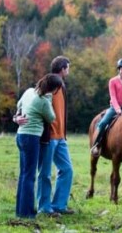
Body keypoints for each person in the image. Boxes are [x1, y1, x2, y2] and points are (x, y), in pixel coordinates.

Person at [14, 73, 63, 219]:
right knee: (30, 176)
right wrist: (49, 98)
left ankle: (20, 210)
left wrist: (17, 117)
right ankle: (27, 213)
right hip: (32, 138)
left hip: (21, 135)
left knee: (24, 174)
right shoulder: (43, 100)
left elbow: (19, 105)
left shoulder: (29, 91)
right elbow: (52, 117)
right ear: (53, 89)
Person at [36, 56, 74, 215]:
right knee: (45, 173)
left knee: (67, 170)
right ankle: (44, 207)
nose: (69, 70)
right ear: (63, 69)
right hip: (49, 137)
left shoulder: (62, 85)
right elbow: (37, 102)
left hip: (60, 138)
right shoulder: (49, 84)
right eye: (68, 67)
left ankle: (59, 205)